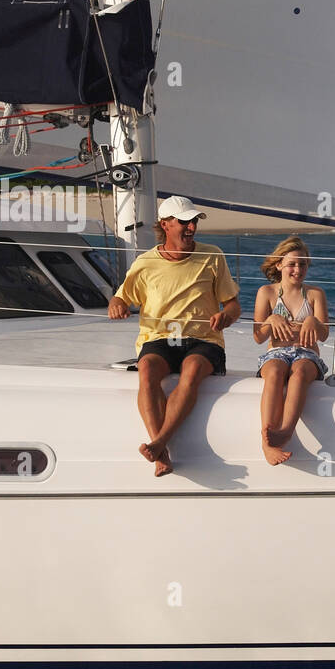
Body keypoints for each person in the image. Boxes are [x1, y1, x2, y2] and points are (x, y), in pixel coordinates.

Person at [108, 195, 240, 477]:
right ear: (165, 225)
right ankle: (161, 453)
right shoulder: (144, 263)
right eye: (184, 222)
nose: (191, 227)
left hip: (204, 340)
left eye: (194, 222)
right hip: (159, 339)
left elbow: (233, 305)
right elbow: (120, 299)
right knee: (147, 372)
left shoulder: (213, 255)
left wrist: (226, 316)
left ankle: (159, 444)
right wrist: (117, 304)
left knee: (191, 371)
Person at [253, 236, 329, 465]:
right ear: (279, 265)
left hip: (306, 353)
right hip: (276, 352)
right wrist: (272, 319)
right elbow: (258, 337)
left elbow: (324, 335)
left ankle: (286, 430)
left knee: (301, 372)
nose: (298, 269)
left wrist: (313, 323)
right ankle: (267, 442)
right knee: (275, 372)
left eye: (303, 264)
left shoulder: (315, 294)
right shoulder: (266, 292)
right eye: (292, 264)